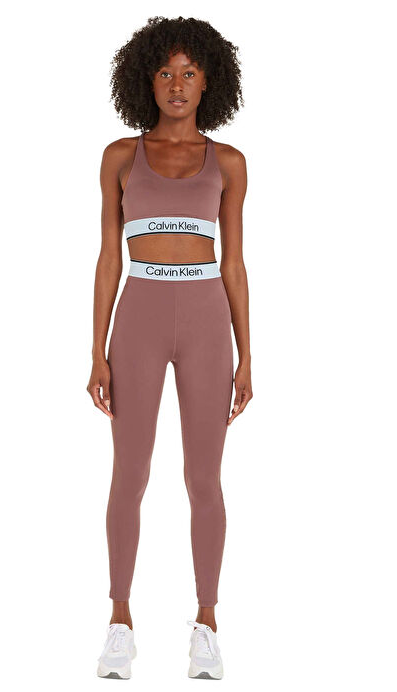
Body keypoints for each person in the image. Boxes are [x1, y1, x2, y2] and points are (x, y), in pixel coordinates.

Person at [88, 16, 252, 679]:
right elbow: (109, 258)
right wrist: (96, 351)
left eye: (188, 72)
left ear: (209, 81)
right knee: (129, 474)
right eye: (164, 72)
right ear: (145, 80)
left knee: (203, 478)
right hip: (139, 318)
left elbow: (233, 262)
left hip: (208, 321)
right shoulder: (119, 157)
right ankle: (119, 622)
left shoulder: (229, 162)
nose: (176, 84)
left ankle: (206, 624)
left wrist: (247, 355)